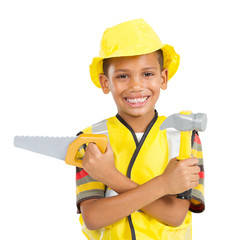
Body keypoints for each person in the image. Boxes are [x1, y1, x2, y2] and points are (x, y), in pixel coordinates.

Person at [75, 19, 205, 240]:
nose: (136, 85)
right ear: (106, 83)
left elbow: (174, 215)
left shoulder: (184, 135)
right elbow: (94, 217)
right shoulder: (91, 140)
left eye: (147, 74)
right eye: (123, 76)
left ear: (163, 78)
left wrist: (111, 177)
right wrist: (164, 185)